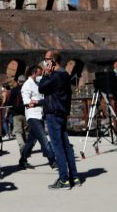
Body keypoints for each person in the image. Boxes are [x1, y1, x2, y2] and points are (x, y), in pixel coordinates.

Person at [39, 51, 80, 189]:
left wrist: (45, 74)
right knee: (66, 145)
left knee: (58, 146)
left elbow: (41, 88)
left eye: (46, 60)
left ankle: (63, 179)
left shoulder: (55, 76)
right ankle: (74, 176)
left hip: (53, 114)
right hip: (61, 113)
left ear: (52, 62)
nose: (44, 62)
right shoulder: (65, 75)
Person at [19, 65, 56, 170]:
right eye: (39, 73)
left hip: (40, 115)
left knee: (31, 141)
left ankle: (22, 160)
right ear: (34, 73)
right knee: (44, 139)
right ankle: (53, 160)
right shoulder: (27, 85)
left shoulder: (37, 82)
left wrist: (37, 102)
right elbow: (26, 102)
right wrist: (37, 103)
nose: (41, 75)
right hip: (32, 116)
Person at [8, 76, 27, 154]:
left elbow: (10, 103)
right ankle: (27, 146)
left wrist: (11, 111)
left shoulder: (14, 90)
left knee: (18, 132)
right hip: (26, 112)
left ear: (18, 81)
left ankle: (22, 145)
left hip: (16, 114)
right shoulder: (26, 89)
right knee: (26, 131)